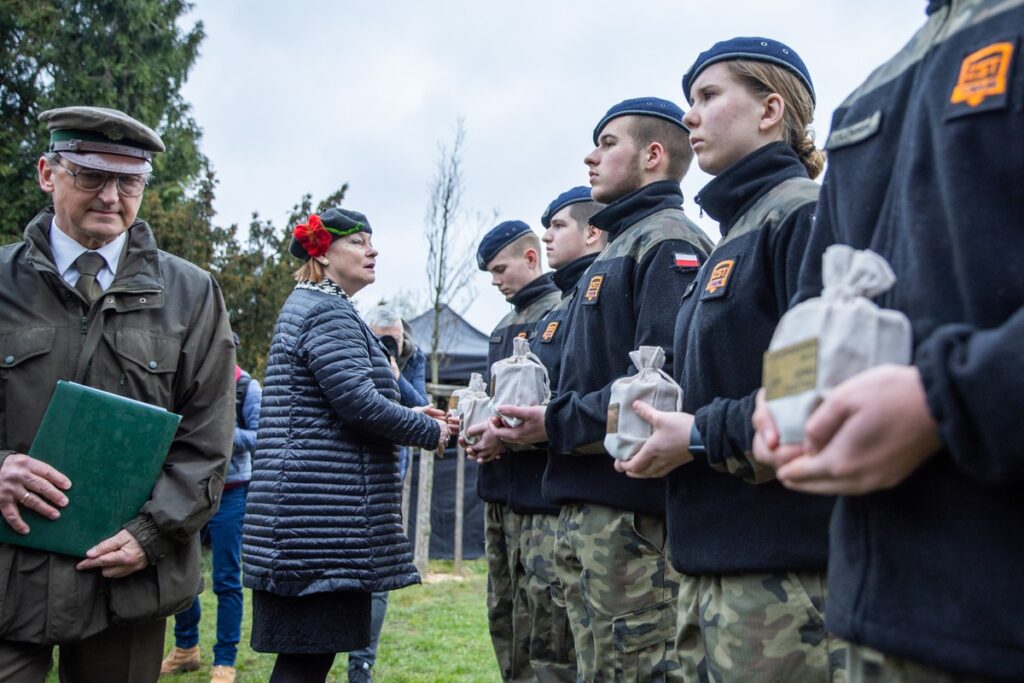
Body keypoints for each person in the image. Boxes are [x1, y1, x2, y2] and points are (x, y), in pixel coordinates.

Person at [751, 2, 1024, 680]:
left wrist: (945, 398)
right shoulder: (874, 88)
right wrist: (781, 397)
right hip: (877, 612)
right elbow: (817, 296)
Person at [612, 39, 841, 681]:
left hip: (786, 578)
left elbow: (820, 391)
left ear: (770, 110)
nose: (690, 115)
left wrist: (697, 435)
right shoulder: (733, 236)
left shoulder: (802, 214)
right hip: (709, 568)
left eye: (709, 96)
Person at [0, 106, 235, 681]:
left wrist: (152, 532)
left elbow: (208, 440)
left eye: (129, 181)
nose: (110, 196)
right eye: (91, 175)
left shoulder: (191, 294)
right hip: (7, 572)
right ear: (47, 173)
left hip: (127, 582)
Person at [494, 98, 713, 681]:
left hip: (629, 516)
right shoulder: (614, 250)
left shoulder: (667, 241)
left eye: (608, 143)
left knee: (635, 668)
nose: (591, 157)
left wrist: (553, 423)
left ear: (653, 155)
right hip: (587, 507)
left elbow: (661, 387)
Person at [241, 208, 449, 683]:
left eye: (371, 240)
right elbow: (358, 404)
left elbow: (341, 400)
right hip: (318, 521)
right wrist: (430, 432)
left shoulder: (320, 306)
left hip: (313, 517)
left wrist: (415, 414)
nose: (372, 250)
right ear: (322, 252)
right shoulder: (325, 310)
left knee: (308, 659)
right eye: (358, 241)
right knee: (304, 663)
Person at [513, 186, 606, 681]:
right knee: (550, 650)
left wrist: (548, 423)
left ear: (593, 232)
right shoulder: (567, 301)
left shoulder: (593, 291)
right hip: (562, 497)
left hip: (599, 502)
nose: (546, 236)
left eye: (558, 226)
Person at [462, 220, 560, 682]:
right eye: (490, 274)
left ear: (531, 257)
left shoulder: (561, 310)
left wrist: (504, 434)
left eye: (500, 269)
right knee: (504, 615)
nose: (495, 281)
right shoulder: (502, 326)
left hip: (541, 498)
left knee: (547, 626)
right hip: (499, 493)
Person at [161, 334, 261, 683]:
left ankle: (225, 659)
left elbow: (261, 436)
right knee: (180, 573)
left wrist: (224, 434)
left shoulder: (247, 387)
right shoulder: (188, 384)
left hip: (231, 492)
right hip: (188, 491)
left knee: (226, 578)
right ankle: (186, 647)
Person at [350, 305, 429, 683]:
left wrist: (395, 375)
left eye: (393, 340)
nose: (388, 345)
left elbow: (420, 406)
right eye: (381, 339)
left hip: (390, 471)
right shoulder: (351, 345)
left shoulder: (414, 356)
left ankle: (361, 664)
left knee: (379, 570)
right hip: (350, 472)